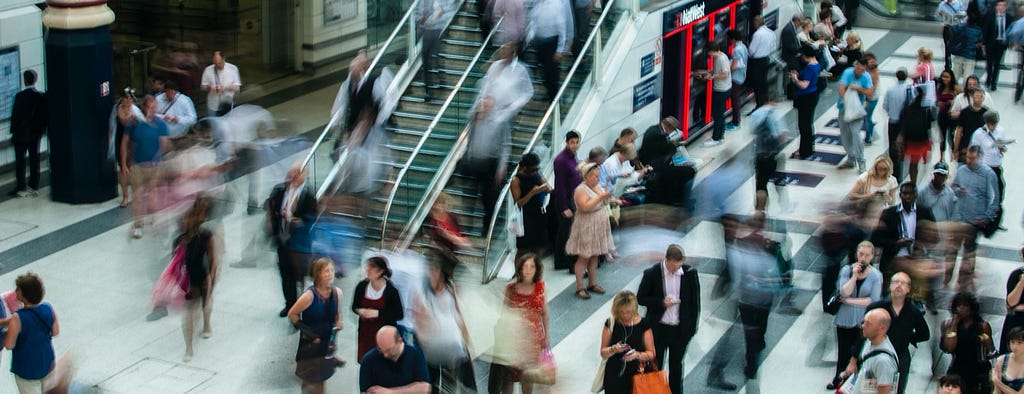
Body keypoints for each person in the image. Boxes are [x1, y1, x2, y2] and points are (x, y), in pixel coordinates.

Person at [637, 244, 700, 394]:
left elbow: (695, 303)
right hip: (658, 329)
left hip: (679, 330)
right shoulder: (652, 273)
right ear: (667, 260)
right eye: (673, 267)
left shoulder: (690, 274)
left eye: (678, 266)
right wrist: (661, 302)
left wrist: (691, 329)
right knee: (654, 366)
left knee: (676, 367)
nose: (675, 270)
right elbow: (641, 298)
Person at [412, 256, 476, 393]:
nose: (432, 275)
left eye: (434, 271)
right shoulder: (422, 292)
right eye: (429, 271)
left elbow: (458, 313)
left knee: (457, 381)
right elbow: (418, 318)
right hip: (430, 346)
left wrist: (466, 338)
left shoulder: (450, 288)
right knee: (431, 382)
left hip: (451, 343)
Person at [828, 241, 883, 390]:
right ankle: (839, 378)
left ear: (872, 256)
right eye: (860, 254)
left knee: (858, 353)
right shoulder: (847, 270)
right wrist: (854, 276)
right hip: (845, 318)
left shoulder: (876, 276)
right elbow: (844, 291)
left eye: (866, 255)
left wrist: (848, 301)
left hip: (863, 321)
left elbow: (873, 300)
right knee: (843, 351)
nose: (863, 258)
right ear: (856, 254)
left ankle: (855, 381)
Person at [266, 164, 318, 317]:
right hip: (282, 240)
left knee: (299, 276)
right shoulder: (280, 191)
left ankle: (300, 305)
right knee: (285, 274)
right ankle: (289, 303)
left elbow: (312, 219)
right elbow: (270, 207)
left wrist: (299, 222)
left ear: (304, 175)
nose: (293, 175)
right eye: (291, 172)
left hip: (299, 244)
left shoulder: (308, 196)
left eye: (297, 173)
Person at [866, 273, 930, 393]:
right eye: (896, 282)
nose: (899, 285)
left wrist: (909, 338)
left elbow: (925, 334)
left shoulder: (913, 311)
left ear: (908, 289)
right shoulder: (876, 307)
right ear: (890, 285)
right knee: (871, 389)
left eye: (903, 283)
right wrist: (854, 358)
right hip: (876, 353)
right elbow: (862, 333)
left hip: (900, 355)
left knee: (898, 390)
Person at [288, 258, 344, 394]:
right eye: (326, 271)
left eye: (331, 270)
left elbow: (337, 314)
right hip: (310, 346)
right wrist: (308, 332)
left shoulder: (337, 293)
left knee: (321, 380)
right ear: (318, 274)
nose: (330, 274)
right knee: (309, 381)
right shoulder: (309, 296)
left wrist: (338, 322)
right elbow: (292, 313)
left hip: (326, 344)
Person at [496, 254, 550, 394]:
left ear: (537, 269)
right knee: (509, 377)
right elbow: (504, 314)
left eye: (531, 266)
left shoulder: (541, 287)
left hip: (533, 341)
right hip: (514, 340)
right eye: (525, 266)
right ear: (519, 269)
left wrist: (546, 335)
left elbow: (544, 312)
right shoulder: (511, 289)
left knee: (528, 376)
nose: (528, 270)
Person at [121, 95, 172, 239]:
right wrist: (124, 163)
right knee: (137, 196)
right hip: (137, 166)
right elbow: (124, 142)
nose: (153, 110)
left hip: (155, 167)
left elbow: (164, 144)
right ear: (144, 107)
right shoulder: (134, 122)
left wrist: (161, 159)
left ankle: (152, 216)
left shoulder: (160, 124)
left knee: (153, 195)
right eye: (151, 107)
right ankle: (138, 225)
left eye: (155, 107)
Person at [951, 146, 999, 291]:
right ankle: (947, 276)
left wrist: (986, 217)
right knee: (952, 249)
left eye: (972, 158)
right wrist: (957, 190)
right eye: (968, 158)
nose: (969, 161)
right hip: (959, 218)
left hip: (974, 221)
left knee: (969, 252)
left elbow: (995, 199)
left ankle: (964, 280)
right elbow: (952, 187)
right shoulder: (961, 170)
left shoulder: (988, 174)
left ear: (979, 157)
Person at [177, 197, 219, 363]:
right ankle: (189, 347)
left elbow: (213, 258)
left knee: (205, 304)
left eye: (188, 218)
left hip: (202, 275)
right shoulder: (180, 239)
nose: (185, 221)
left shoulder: (205, 235)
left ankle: (207, 323)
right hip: (188, 280)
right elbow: (176, 262)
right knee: (188, 313)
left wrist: (212, 277)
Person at [2, 273, 59, 393]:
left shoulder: (17, 318)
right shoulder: (48, 308)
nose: (15, 291)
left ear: (23, 295)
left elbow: (9, 345)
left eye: (18, 289)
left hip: (26, 367)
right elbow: (55, 331)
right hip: (47, 362)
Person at [462, 96, 511, 231]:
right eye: (484, 105)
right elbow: (470, 138)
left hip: (491, 163)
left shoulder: (500, 121)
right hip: (475, 161)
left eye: (488, 105)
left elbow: (505, 145)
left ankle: (488, 227)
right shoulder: (475, 119)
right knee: (470, 193)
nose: (485, 108)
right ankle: (468, 226)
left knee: (488, 198)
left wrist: (502, 167)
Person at [566, 163, 615, 299]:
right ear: (587, 176)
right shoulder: (580, 190)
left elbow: (604, 200)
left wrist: (610, 198)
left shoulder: (597, 186)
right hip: (586, 225)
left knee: (595, 255)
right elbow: (584, 207)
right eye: (595, 176)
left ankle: (592, 283)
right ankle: (579, 286)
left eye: (599, 176)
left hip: (598, 224)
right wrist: (600, 197)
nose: (598, 179)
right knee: (584, 257)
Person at [599, 291, 655, 394]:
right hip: (614, 375)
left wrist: (637, 355)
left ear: (634, 310)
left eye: (628, 312)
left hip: (637, 374)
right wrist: (613, 349)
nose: (624, 315)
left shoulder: (644, 325)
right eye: (621, 312)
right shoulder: (611, 323)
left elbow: (651, 353)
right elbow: (603, 352)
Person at [352, 256, 404, 363]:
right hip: (365, 334)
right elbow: (354, 306)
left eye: (372, 267)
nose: (368, 270)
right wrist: (360, 311)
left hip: (384, 336)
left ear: (381, 271)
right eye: (368, 267)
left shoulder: (391, 291)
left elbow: (399, 314)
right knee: (366, 362)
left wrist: (378, 313)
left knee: (382, 363)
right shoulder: (362, 286)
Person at [940, 291, 995, 393]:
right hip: (958, 368)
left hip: (978, 371)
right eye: (958, 305)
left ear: (971, 308)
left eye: (965, 305)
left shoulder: (982, 326)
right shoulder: (948, 325)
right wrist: (954, 324)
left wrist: (986, 341)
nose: (961, 308)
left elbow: (990, 350)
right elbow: (949, 348)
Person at [836, 309, 899, 394]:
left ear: (882, 328)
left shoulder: (883, 361)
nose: (862, 326)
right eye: (863, 322)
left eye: (868, 324)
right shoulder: (868, 342)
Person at [917, 162, 958, 287]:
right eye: (937, 174)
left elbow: (953, 215)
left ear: (946, 177)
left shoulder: (950, 194)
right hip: (928, 236)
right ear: (933, 175)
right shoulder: (922, 192)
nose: (939, 177)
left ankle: (942, 284)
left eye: (942, 175)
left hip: (944, 235)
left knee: (941, 264)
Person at [359, 326, 431, 394]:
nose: (385, 355)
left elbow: (425, 388)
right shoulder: (368, 360)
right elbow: (364, 391)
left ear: (399, 341)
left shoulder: (415, 353)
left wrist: (390, 392)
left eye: (388, 350)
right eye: (380, 350)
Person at [8, 70, 46, 198]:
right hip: (35, 134)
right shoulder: (40, 96)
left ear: (25, 80)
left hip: (21, 134)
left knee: (20, 161)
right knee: (34, 159)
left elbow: (15, 116)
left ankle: (21, 186)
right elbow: (43, 116)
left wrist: (13, 130)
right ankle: (34, 185)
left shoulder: (20, 96)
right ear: (35, 80)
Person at [748, 98, 789, 211]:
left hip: (760, 155)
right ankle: (783, 205)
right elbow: (783, 135)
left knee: (761, 183)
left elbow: (752, 131)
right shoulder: (775, 114)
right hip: (774, 155)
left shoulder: (756, 114)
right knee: (779, 182)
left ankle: (761, 208)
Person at [510, 153, 550, 262]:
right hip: (524, 217)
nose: (535, 171)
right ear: (525, 167)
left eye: (537, 168)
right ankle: (519, 274)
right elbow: (518, 203)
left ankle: (535, 274)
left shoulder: (536, 174)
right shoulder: (516, 180)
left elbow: (549, 189)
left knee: (537, 247)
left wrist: (542, 182)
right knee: (522, 249)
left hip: (537, 214)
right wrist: (532, 193)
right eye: (533, 169)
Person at [528, 0, 570, 102]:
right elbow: (533, 19)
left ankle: (554, 97)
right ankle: (549, 92)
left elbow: (561, 27)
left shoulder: (555, 4)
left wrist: (559, 49)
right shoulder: (537, 4)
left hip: (551, 43)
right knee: (543, 70)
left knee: (552, 72)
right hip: (539, 42)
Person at [552, 131, 582, 270]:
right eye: (572, 142)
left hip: (573, 198)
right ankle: (560, 260)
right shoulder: (561, 160)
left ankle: (567, 258)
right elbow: (560, 186)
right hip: (565, 199)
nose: (575, 145)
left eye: (577, 142)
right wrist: (564, 206)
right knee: (564, 231)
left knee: (569, 230)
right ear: (567, 142)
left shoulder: (572, 157)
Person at [836, 59, 873, 173]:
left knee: (856, 135)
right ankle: (850, 158)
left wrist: (858, 88)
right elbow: (841, 89)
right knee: (845, 135)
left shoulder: (866, 77)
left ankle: (861, 161)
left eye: (862, 70)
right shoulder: (848, 72)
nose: (858, 71)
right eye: (857, 68)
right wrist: (847, 102)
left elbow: (870, 93)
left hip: (857, 111)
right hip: (844, 109)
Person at [416, 0, 456, 98]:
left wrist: (439, 16)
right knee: (425, 59)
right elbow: (415, 13)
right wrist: (419, 20)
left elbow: (451, 10)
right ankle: (428, 90)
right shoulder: (420, 1)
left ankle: (441, 79)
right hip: (426, 31)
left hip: (438, 30)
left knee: (435, 57)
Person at [109, 89, 142, 207]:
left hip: (133, 139)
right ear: (122, 99)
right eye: (127, 98)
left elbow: (142, 127)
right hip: (120, 138)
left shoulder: (136, 111)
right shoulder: (116, 109)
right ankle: (125, 196)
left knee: (133, 167)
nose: (129, 101)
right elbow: (112, 126)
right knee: (122, 167)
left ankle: (136, 194)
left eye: (131, 99)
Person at [899, 85, 935, 185]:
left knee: (914, 164)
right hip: (921, 140)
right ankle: (917, 183)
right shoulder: (927, 108)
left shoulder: (908, 108)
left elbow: (903, 124)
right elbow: (930, 124)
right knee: (921, 163)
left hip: (912, 140)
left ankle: (914, 183)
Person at [968, 110, 1007, 203]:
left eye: (995, 124)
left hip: (996, 165)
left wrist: (1003, 148)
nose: (993, 127)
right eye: (991, 124)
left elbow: (1005, 147)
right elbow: (972, 149)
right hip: (984, 166)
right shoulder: (978, 134)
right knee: (984, 190)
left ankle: (998, 206)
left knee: (1000, 187)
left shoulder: (1001, 131)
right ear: (986, 123)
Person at [791, 45, 822, 160]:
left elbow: (804, 85)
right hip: (813, 95)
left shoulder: (810, 68)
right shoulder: (816, 64)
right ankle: (808, 147)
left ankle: (804, 150)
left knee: (803, 125)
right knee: (808, 124)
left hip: (806, 98)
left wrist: (795, 79)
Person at [883, 67, 913, 181]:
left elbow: (885, 105)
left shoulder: (890, 89)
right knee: (902, 146)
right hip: (905, 123)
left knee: (893, 147)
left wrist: (892, 112)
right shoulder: (909, 89)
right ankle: (899, 170)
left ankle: (896, 173)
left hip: (893, 121)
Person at [700, 41, 731, 147]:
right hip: (725, 88)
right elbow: (717, 70)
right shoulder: (722, 56)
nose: (708, 55)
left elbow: (725, 74)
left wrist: (712, 77)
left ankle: (716, 138)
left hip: (721, 90)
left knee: (717, 115)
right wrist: (707, 72)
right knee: (720, 115)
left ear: (711, 50)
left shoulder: (720, 59)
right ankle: (720, 136)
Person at [983, 0, 1013, 91]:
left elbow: (1010, 30)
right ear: (996, 7)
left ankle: (994, 82)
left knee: (997, 64)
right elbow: (985, 30)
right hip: (991, 43)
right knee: (989, 63)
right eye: (1000, 5)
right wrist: (984, 43)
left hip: (1001, 44)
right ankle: (988, 80)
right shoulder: (990, 16)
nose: (1001, 7)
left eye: (1003, 5)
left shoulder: (1008, 17)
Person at [747, 15, 776, 109]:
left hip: (757, 62)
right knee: (764, 81)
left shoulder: (757, 34)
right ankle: (765, 101)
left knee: (757, 83)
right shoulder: (770, 32)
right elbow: (773, 47)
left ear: (756, 23)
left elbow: (751, 50)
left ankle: (759, 104)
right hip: (766, 59)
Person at [199, 51, 241, 116]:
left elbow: (237, 87)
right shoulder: (208, 70)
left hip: (227, 104)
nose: (218, 65)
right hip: (213, 105)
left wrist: (225, 88)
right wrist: (211, 88)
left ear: (224, 59)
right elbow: (203, 87)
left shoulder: (233, 68)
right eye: (215, 63)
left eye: (219, 63)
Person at [952, 89, 989, 162]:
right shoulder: (965, 112)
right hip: (965, 144)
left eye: (981, 96)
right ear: (972, 97)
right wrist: (956, 149)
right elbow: (959, 130)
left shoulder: (987, 113)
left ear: (984, 98)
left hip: (981, 146)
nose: (978, 98)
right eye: (976, 96)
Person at [948, 16, 983, 86]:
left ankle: (953, 89)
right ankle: (965, 91)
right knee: (967, 76)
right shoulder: (978, 30)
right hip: (970, 55)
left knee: (955, 75)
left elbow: (951, 30)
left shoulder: (960, 27)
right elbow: (980, 43)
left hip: (959, 53)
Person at [936, 70, 963, 161]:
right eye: (943, 77)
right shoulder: (939, 88)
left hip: (952, 116)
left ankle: (952, 156)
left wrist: (954, 101)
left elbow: (962, 98)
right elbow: (935, 99)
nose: (945, 79)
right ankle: (941, 158)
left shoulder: (956, 88)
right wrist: (938, 103)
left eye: (947, 77)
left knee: (951, 137)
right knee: (942, 137)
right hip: (942, 115)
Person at [1002, 251, 1024, 354]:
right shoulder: (1017, 275)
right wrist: (1022, 282)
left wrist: (1019, 307)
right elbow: (1010, 303)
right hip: (1016, 321)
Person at [992, 327, 1024, 393]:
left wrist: (998, 382)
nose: (1014, 347)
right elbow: (996, 391)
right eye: (1012, 342)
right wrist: (996, 384)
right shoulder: (1001, 360)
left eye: (1019, 342)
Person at [727, 29, 748, 130]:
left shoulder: (737, 50)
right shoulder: (743, 46)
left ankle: (736, 122)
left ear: (733, 39)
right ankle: (736, 120)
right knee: (736, 99)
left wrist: (727, 72)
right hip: (741, 76)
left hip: (735, 78)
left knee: (734, 100)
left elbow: (734, 65)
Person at [938, 0, 968, 67]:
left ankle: (960, 64)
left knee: (959, 46)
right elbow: (938, 16)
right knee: (947, 47)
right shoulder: (942, 4)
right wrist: (940, 15)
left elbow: (964, 13)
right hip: (947, 27)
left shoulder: (958, 3)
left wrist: (957, 16)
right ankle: (948, 64)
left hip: (957, 27)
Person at [862, 53, 882, 145]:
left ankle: (868, 137)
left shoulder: (874, 73)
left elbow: (873, 86)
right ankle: (872, 132)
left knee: (867, 117)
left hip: (872, 98)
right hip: (868, 96)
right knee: (866, 117)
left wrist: (869, 95)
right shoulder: (867, 71)